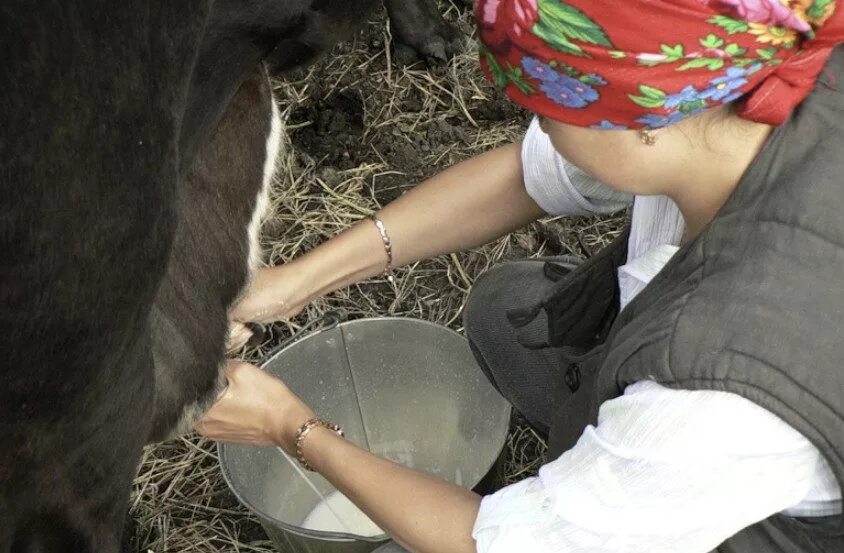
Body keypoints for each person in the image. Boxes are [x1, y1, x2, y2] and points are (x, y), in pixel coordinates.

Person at [199, 1, 844, 552]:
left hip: (762, 520)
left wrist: (292, 427)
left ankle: (612, 490)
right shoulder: (738, 88)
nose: (538, 125)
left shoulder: (717, 401)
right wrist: (293, 282)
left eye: (550, 109)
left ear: (643, 126)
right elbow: (528, 177)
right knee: (507, 313)